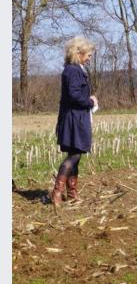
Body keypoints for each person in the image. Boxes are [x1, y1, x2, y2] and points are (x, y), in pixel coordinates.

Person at [50, 36, 98, 206]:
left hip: (74, 117)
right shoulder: (73, 70)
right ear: (78, 53)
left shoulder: (74, 69)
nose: (90, 57)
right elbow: (74, 96)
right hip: (73, 119)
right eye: (89, 54)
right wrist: (91, 101)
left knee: (75, 155)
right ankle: (56, 192)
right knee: (75, 155)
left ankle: (72, 194)